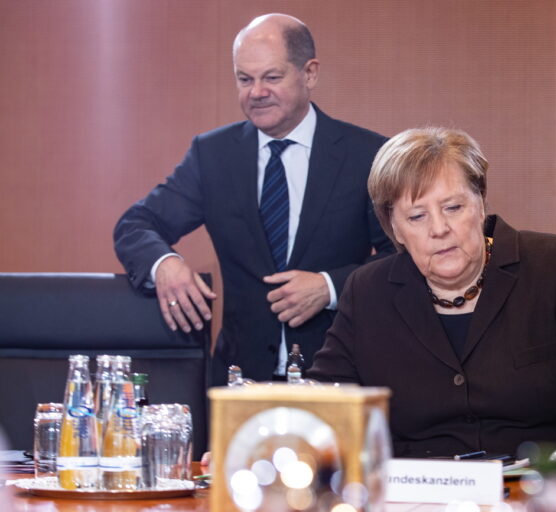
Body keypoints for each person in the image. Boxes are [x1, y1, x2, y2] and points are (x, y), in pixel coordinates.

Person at [307, 127, 556, 458]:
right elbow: (322, 403)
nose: (439, 229)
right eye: (417, 216)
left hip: (533, 486)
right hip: (417, 490)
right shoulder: (369, 290)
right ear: (394, 227)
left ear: (481, 203)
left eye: (453, 208)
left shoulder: (552, 265)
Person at [114, 14, 393, 383]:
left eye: (271, 77)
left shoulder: (368, 155)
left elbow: (401, 258)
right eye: (245, 79)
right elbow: (135, 225)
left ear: (309, 73)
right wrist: (165, 264)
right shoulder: (212, 155)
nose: (256, 92)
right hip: (238, 382)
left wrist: (329, 286)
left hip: (338, 377)